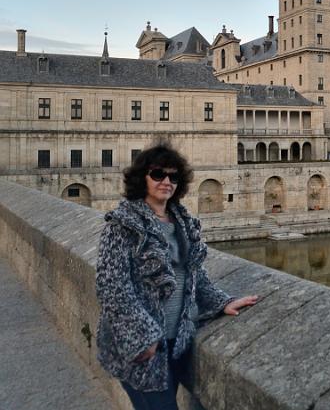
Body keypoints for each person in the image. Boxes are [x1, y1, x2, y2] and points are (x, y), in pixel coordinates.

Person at [95, 143, 257, 410]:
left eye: (173, 176)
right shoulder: (122, 225)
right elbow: (112, 287)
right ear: (142, 179)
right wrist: (142, 336)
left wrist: (221, 302)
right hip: (143, 347)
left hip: (178, 340)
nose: (166, 181)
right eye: (158, 174)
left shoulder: (180, 221)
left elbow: (194, 275)